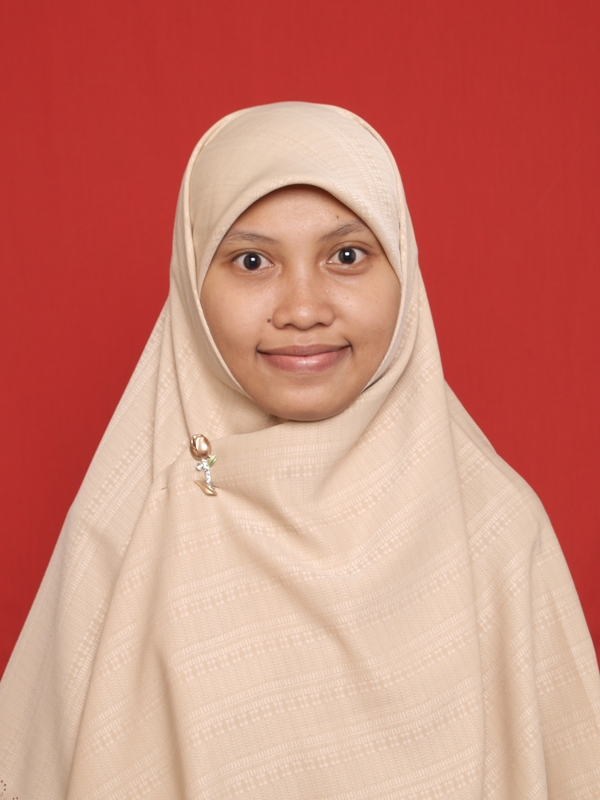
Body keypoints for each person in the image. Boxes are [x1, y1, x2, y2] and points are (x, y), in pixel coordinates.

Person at [1, 102, 599, 799]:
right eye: (252, 261)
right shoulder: (123, 532)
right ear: (192, 283)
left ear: (404, 268)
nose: (304, 308)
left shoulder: (496, 533)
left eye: (347, 256)